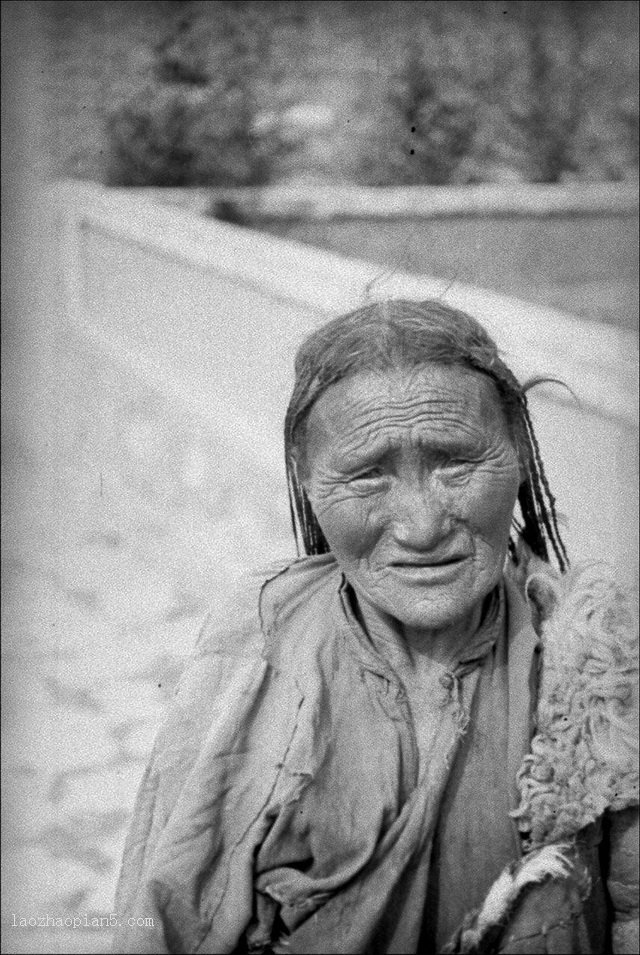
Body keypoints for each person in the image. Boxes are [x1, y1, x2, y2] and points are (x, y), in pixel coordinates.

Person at [113, 299, 638, 954]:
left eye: (455, 462)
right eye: (368, 474)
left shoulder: (591, 654)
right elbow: (166, 920)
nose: (421, 528)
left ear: (520, 457)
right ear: (308, 483)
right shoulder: (258, 645)